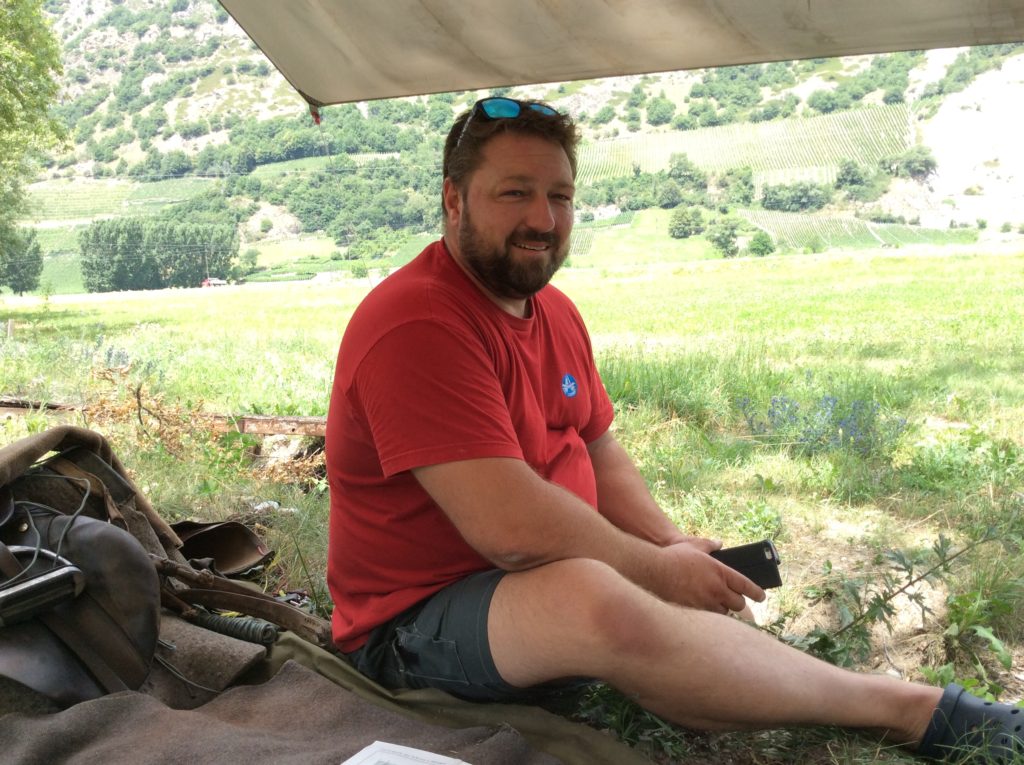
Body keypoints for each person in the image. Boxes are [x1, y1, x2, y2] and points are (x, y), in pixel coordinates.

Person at [325, 96, 1023, 761]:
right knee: (593, 596)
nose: (543, 217)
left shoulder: (554, 312)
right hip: (409, 628)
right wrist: (656, 571)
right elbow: (509, 528)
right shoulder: (418, 321)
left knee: (648, 581)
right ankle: (913, 711)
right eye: (515, 193)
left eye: (560, 196)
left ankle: (785, 674)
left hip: (530, 589)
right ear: (454, 199)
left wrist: (670, 546)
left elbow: (598, 451)